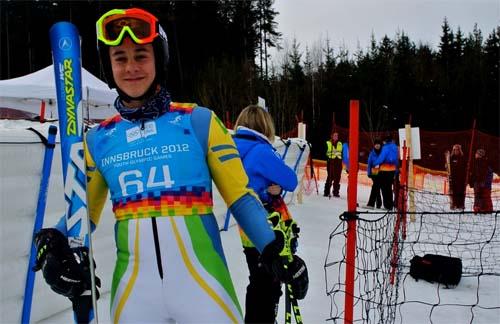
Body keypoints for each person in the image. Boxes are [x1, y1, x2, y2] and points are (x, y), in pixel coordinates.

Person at [32, 8, 288, 323]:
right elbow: (84, 215)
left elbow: (241, 198)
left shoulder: (198, 121)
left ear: (159, 58)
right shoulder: (98, 139)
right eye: (120, 58)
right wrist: (53, 239)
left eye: (141, 56)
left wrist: (273, 249)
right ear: (109, 64)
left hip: (204, 287)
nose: (131, 68)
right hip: (133, 294)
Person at [233, 105, 303, 323]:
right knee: (270, 283)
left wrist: (265, 189)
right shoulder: (261, 151)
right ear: (264, 126)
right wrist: (274, 189)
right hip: (269, 226)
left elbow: (243, 185)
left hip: (247, 226)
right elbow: (290, 180)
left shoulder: (232, 148)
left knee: (257, 280)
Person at [373, 133, 399, 210]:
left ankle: (386, 205)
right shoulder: (395, 147)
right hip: (392, 170)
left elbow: (381, 158)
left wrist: (375, 163)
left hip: (384, 170)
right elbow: (397, 159)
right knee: (389, 187)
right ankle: (390, 204)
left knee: (384, 188)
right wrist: (396, 169)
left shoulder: (385, 148)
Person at [469, 148, 493, 213]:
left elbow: (481, 173)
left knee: (478, 195)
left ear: (480, 155)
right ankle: (479, 207)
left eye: (477, 154)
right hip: (477, 181)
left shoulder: (482, 163)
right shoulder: (476, 162)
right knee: (478, 195)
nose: (475, 154)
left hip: (479, 182)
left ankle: (478, 208)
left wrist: (479, 180)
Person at [445, 144, 467, 210]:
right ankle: (453, 204)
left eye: (457, 149)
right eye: (454, 150)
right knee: (452, 192)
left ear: (459, 150)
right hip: (453, 178)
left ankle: (460, 205)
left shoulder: (462, 158)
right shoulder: (451, 158)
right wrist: (446, 166)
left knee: (460, 192)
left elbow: (465, 168)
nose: (456, 151)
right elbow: (447, 167)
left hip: (461, 179)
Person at [324, 131, 343, 197]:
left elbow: (340, 152)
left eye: (337, 136)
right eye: (335, 135)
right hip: (331, 161)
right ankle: (326, 191)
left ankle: (336, 192)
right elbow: (326, 152)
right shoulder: (328, 143)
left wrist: (334, 152)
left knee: (337, 177)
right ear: (331, 136)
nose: (336, 137)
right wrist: (333, 153)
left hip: (338, 162)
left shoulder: (340, 143)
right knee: (330, 176)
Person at [365, 139, 383, 209]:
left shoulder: (383, 153)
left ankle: (375, 203)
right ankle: (377, 203)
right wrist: (369, 173)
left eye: (378, 144)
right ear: (374, 145)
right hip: (374, 174)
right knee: (376, 187)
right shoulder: (372, 153)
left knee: (376, 187)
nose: (377, 145)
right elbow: (369, 164)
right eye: (376, 144)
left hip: (381, 173)